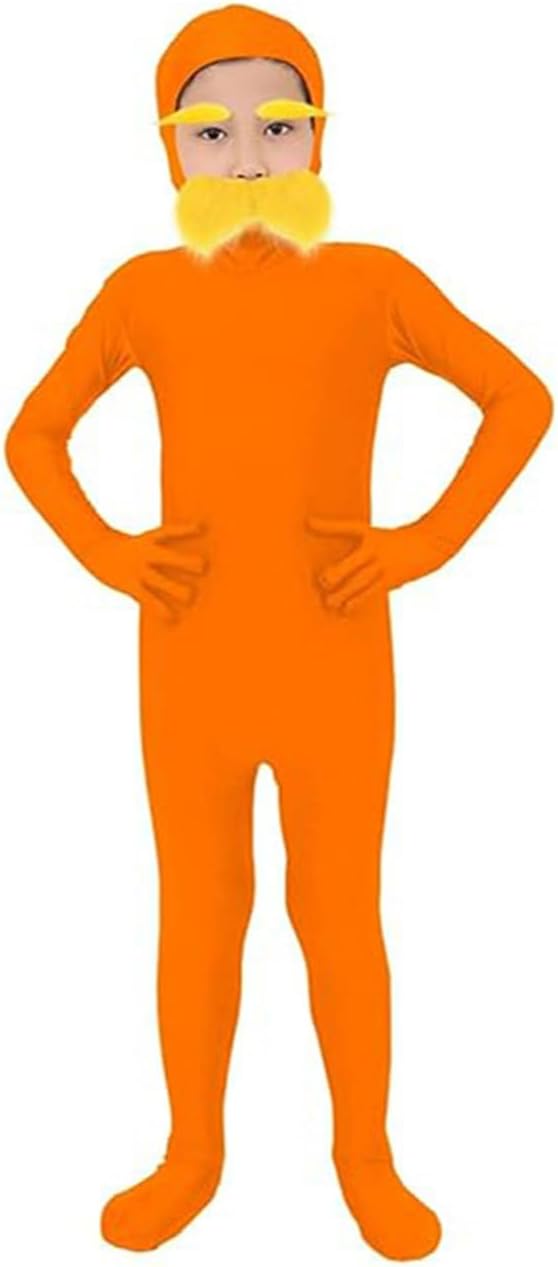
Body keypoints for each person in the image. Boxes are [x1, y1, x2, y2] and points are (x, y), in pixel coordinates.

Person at [4, 3, 553, 1259]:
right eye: (213, 131)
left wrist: (424, 541)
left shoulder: (374, 283)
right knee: (199, 913)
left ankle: (366, 1157)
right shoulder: (141, 293)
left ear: (319, 135)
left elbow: (521, 397)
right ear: (169, 148)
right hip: (188, 657)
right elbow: (31, 435)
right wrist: (108, 553)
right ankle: (191, 1154)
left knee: (339, 911)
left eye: (278, 125)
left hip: (335, 656)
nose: (248, 158)